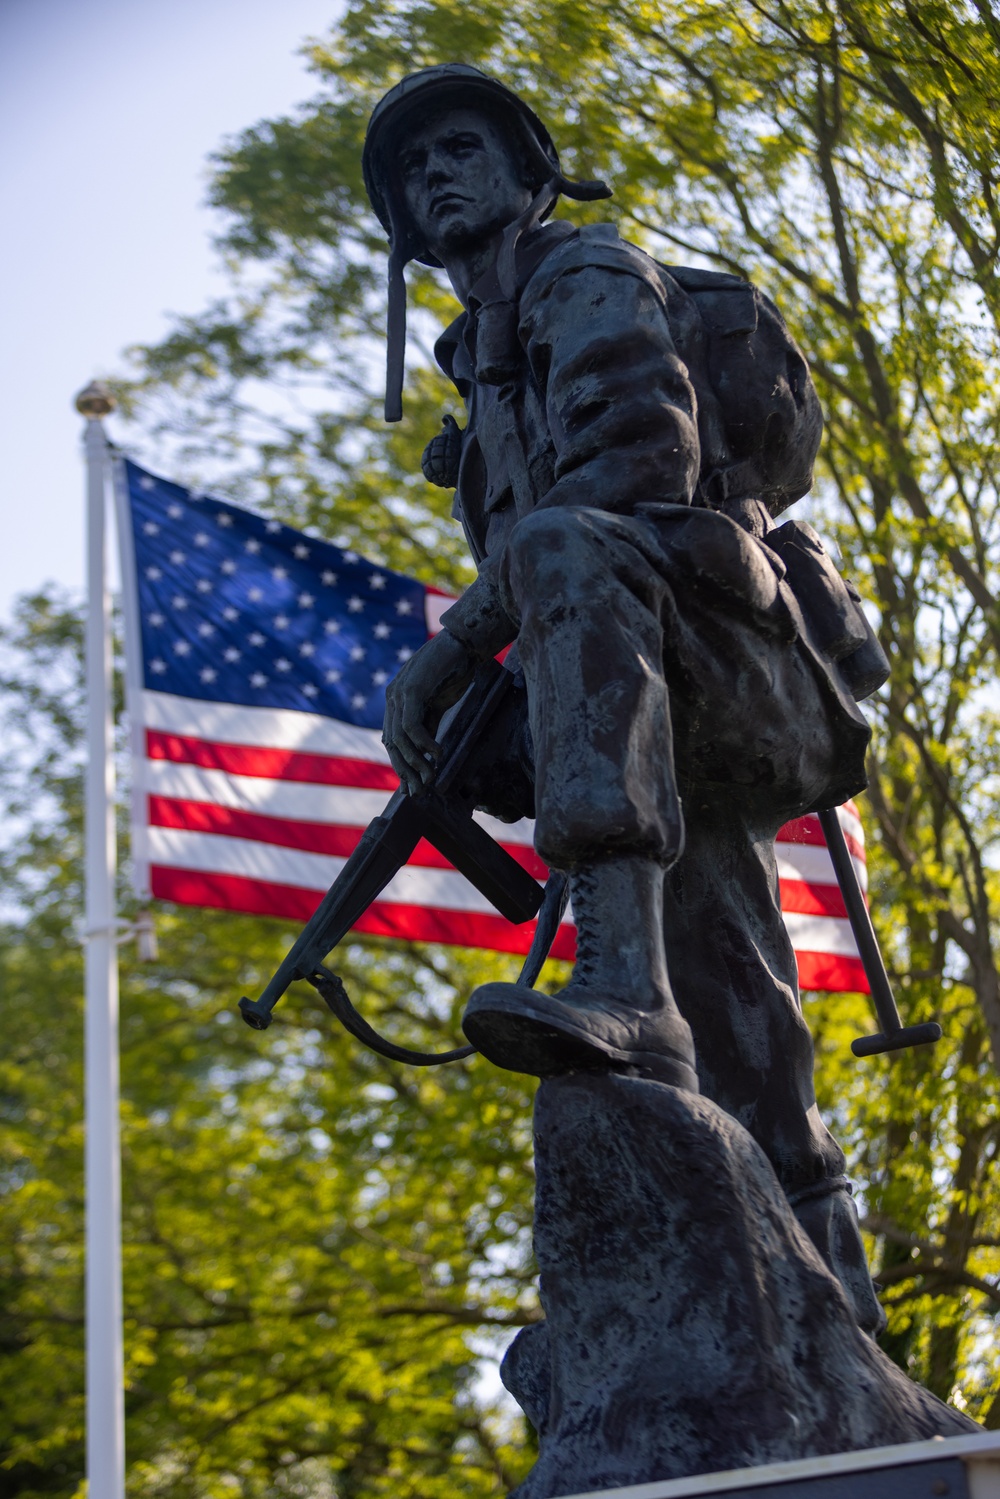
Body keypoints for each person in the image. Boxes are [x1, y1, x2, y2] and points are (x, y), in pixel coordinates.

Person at [363, 64, 887, 1334]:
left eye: (461, 146)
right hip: (664, 697)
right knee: (742, 1002)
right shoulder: (481, 372)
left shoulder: (584, 276)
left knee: (557, 546)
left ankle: (621, 986)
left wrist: (452, 648)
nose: (435, 172)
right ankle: (840, 1324)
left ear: (531, 173)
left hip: (746, 668)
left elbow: (631, 466)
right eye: (411, 167)